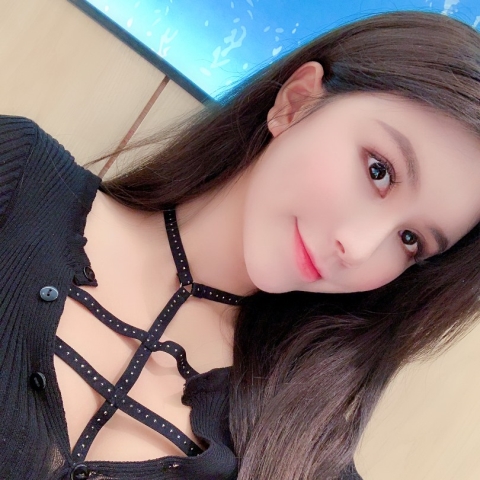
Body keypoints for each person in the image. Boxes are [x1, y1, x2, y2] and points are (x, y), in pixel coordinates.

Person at [0, 9, 479, 480]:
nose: (357, 247)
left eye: (410, 239)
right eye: (379, 171)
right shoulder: (17, 176)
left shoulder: (304, 460)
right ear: (296, 102)